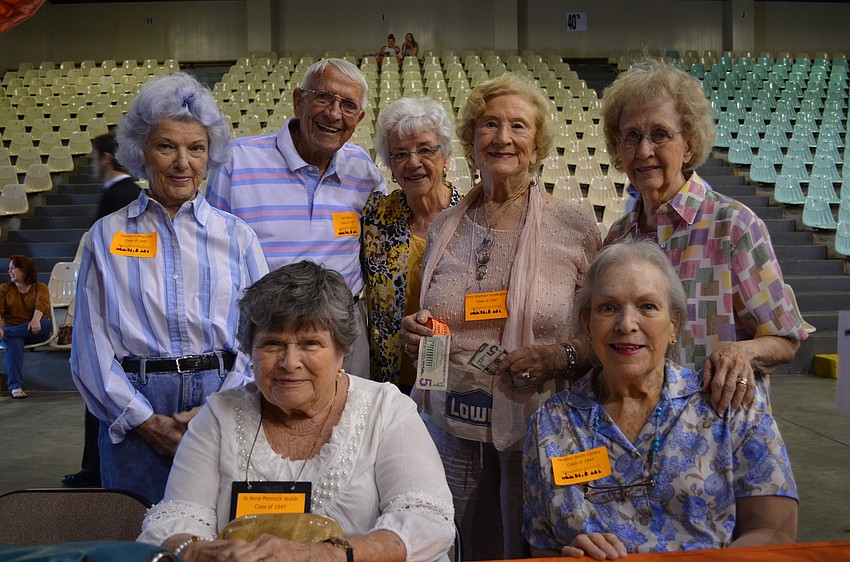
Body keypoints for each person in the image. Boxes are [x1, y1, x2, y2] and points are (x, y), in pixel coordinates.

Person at [400, 72, 601, 560]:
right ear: (472, 142)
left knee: (531, 543)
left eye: (518, 126)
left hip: (540, 421)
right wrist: (417, 333)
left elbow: (602, 333)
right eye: (489, 124)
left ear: (537, 145)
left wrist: (560, 355)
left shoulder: (574, 225)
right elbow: (434, 313)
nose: (502, 137)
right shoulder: (445, 225)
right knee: (458, 539)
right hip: (450, 421)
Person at [137, 261, 455, 562]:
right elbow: (174, 520)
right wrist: (200, 552)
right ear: (250, 350)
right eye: (272, 344)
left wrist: (324, 556)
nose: (290, 363)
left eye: (310, 344)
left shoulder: (386, 411)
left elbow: (427, 522)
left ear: (342, 349)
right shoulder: (220, 415)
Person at [523, 241, 798, 557]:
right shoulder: (549, 425)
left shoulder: (730, 407)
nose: (626, 324)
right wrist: (567, 556)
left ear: (674, 324)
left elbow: (774, 532)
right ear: (587, 324)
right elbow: (540, 545)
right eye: (608, 308)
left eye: (647, 307)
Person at [70, 72, 269, 504]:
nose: (183, 162)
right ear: (141, 152)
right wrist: (142, 420)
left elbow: (261, 335)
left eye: (196, 148)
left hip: (224, 399)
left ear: (209, 154)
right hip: (133, 408)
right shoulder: (105, 236)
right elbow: (90, 347)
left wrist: (219, 408)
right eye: (166, 147)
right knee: (136, 532)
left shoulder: (239, 237)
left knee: (222, 532)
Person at [601, 59, 807, 411]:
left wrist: (742, 352)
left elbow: (785, 338)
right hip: (638, 426)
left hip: (717, 426)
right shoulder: (618, 238)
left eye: (660, 134)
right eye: (631, 136)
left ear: (689, 145)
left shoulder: (733, 226)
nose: (644, 150)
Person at [206, 58, 384, 379]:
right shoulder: (237, 162)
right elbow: (210, 256)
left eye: (348, 106)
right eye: (323, 98)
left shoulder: (363, 171)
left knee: (348, 411)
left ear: (358, 119)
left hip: (342, 330)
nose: (334, 114)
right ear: (298, 100)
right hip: (267, 329)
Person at [62, 130, 144, 488]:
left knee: (103, 391)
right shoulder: (127, 194)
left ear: (106, 159)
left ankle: (97, 471)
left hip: (116, 316)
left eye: (95, 158)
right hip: (122, 314)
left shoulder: (119, 197)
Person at [363, 97, 461, 393]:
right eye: (400, 154)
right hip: (390, 379)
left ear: (446, 157)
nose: (413, 162)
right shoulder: (375, 217)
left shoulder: (471, 220)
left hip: (454, 377)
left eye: (425, 150)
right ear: (391, 166)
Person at [0, 255, 52, 399]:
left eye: (13, 268)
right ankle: (15, 387)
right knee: (15, 342)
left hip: (33, 329)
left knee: (46, 325)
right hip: (11, 329)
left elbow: (42, 303)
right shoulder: (4, 288)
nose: (10, 271)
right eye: (9, 268)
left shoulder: (40, 287)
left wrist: (35, 320)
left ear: (24, 269)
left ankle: (7, 333)